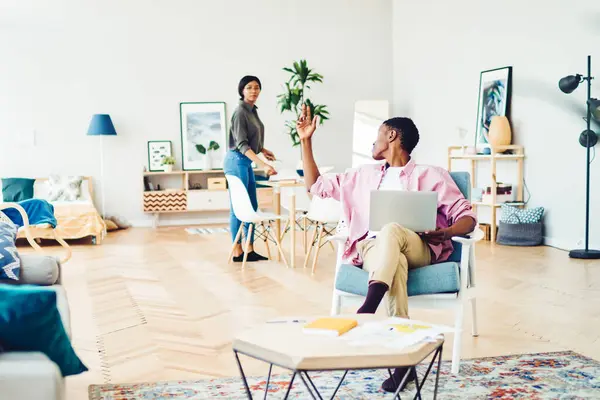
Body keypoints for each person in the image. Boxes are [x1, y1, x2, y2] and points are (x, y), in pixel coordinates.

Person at [297, 104, 477, 392]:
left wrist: (445, 232)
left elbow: (467, 218)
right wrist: (306, 140)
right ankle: (403, 364)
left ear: (392, 135)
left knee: (393, 229)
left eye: (377, 135)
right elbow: (315, 185)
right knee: (395, 263)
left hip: (418, 247)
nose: (373, 142)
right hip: (373, 250)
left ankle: (369, 304)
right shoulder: (362, 174)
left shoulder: (432, 174)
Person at [224, 75, 277, 262]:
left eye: (256, 87)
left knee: (252, 205)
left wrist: (263, 149)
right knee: (238, 208)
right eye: (249, 87)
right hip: (236, 161)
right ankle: (237, 250)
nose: (253, 91)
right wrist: (263, 164)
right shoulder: (240, 111)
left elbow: (250, 137)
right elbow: (241, 144)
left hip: (245, 162)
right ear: (242, 90)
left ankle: (249, 248)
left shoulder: (252, 111)